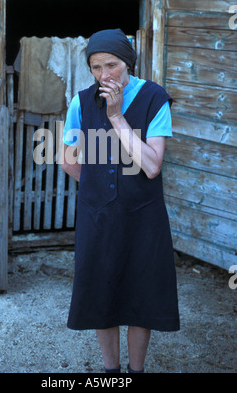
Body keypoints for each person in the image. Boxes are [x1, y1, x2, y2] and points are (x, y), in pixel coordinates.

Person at [61, 29, 180, 374]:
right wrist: (101, 187)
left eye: (111, 65)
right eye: (96, 67)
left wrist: (116, 116)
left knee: (140, 292)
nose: (104, 75)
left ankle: (136, 371)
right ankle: (112, 373)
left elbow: (152, 165)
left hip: (143, 216)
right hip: (97, 216)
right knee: (102, 291)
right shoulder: (81, 101)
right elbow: (68, 159)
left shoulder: (154, 98)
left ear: (127, 63)